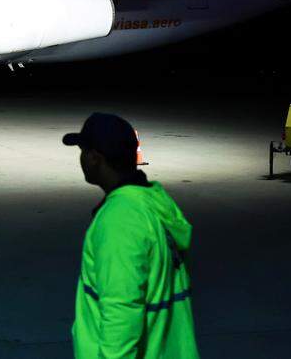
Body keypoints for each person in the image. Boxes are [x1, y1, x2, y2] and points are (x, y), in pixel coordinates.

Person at [63, 113, 198, 358]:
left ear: (95, 158)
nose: (80, 158)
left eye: (82, 151)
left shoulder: (120, 221)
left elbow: (121, 314)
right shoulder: (154, 203)